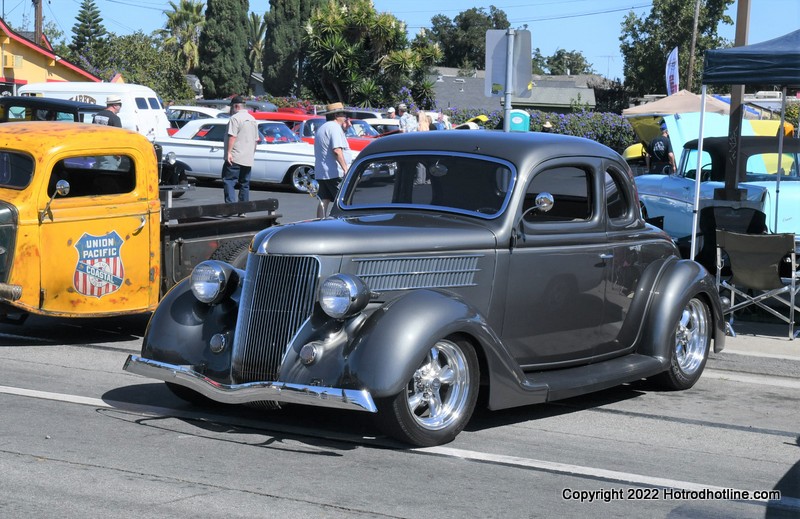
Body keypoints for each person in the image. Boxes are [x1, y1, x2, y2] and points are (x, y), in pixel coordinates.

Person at [314, 102, 351, 219]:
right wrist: (346, 168)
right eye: (344, 114)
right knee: (343, 200)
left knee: (324, 199)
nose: (345, 117)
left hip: (322, 172)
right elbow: (337, 150)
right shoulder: (334, 128)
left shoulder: (324, 127)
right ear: (336, 116)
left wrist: (345, 129)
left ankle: (320, 222)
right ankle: (342, 224)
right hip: (334, 172)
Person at [221, 95, 258, 210]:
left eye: (231, 107)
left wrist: (228, 153)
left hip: (235, 156)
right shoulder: (252, 119)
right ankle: (243, 209)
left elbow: (232, 136)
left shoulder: (235, 118)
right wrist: (252, 153)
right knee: (244, 184)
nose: (231, 109)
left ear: (236, 106)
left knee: (229, 180)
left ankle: (231, 207)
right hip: (247, 157)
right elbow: (256, 140)